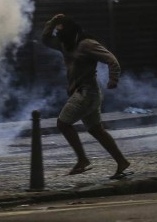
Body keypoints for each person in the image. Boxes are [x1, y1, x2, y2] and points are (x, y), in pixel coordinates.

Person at [42, 14, 131, 179]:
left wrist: (113, 79)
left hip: (87, 92)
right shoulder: (65, 44)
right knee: (96, 130)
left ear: (70, 32)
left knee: (63, 124)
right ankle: (121, 161)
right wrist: (53, 22)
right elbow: (46, 39)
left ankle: (82, 159)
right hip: (81, 92)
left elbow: (111, 60)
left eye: (60, 31)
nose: (58, 36)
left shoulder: (86, 44)